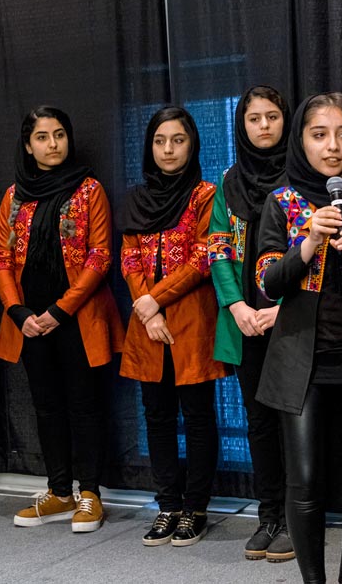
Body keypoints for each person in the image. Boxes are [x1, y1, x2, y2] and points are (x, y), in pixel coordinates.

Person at [255, 92, 342, 584]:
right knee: (307, 483)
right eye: (319, 135)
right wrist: (310, 240)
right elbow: (267, 281)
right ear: (302, 141)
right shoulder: (282, 201)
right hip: (301, 363)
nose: (332, 146)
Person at [0, 106, 123, 532]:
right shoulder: (13, 197)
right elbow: (1, 258)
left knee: (85, 406)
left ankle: (90, 495)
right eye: (43, 137)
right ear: (28, 146)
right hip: (28, 321)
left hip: (77, 317)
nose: (53, 144)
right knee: (46, 407)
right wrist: (18, 312)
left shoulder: (89, 190)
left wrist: (58, 311)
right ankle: (59, 492)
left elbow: (101, 256)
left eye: (59, 135)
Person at [118, 106, 226, 547]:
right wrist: (147, 310)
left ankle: (196, 509)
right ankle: (167, 506)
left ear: (191, 145)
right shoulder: (135, 198)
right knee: (157, 417)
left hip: (190, 319)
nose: (168, 149)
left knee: (198, 417)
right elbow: (129, 257)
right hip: (147, 326)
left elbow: (204, 258)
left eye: (177, 140)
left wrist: (151, 301)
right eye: (160, 140)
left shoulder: (206, 194)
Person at [207, 85, 294, 562]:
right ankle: (269, 515)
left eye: (272, 117)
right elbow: (216, 247)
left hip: (293, 317)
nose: (263, 126)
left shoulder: (302, 177)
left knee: (296, 421)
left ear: (286, 121)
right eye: (254, 118)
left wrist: (283, 308)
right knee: (259, 422)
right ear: (241, 125)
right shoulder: (228, 181)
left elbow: (313, 249)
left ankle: (301, 517)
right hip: (246, 322)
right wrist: (237, 307)